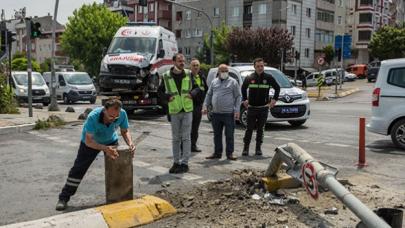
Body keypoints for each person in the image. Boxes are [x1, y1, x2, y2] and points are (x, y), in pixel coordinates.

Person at [56, 98, 136, 211]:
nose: (113, 120)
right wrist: (105, 148)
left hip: (111, 141)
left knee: (118, 167)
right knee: (78, 169)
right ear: (104, 110)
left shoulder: (122, 114)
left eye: (116, 117)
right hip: (91, 143)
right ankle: (63, 198)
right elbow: (89, 141)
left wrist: (130, 143)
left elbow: (124, 131)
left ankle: (117, 196)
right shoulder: (93, 117)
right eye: (110, 116)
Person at [159, 53, 199, 174]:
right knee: (175, 138)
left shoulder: (188, 73)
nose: (182, 63)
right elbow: (159, 93)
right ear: (174, 62)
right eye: (179, 61)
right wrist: (167, 98)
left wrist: (192, 94)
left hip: (187, 110)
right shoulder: (166, 76)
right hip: (174, 111)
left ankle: (185, 163)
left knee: (186, 138)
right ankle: (176, 162)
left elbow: (197, 88)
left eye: (183, 61)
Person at [241, 58, 280, 156]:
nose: (260, 68)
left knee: (260, 129)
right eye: (258, 66)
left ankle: (258, 148)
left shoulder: (268, 77)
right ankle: (246, 148)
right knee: (249, 129)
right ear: (254, 67)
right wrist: (244, 99)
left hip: (264, 108)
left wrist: (274, 100)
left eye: (262, 66)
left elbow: (277, 88)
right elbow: (243, 88)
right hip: (252, 108)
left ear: (264, 66)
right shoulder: (249, 77)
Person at [203, 64, 241, 160]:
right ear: (218, 72)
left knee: (229, 135)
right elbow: (209, 94)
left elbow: (238, 96)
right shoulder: (214, 82)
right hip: (216, 114)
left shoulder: (233, 82)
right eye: (222, 71)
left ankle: (230, 154)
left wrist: (237, 110)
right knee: (217, 135)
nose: (224, 73)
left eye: (226, 71)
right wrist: (205, 106)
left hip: (228, 114)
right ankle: (217, 153)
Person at [190, 58, 208, 152]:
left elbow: (206, 89)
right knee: (187, 127)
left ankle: (193, 146)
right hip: (189, 105)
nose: (196, 67)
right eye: (194, 65)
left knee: (195, 127)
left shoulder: (202, 76)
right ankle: (183, 146)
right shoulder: (187, 77)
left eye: (197, 65)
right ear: (190, 66)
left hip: (198, 106)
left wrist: (205, 104)